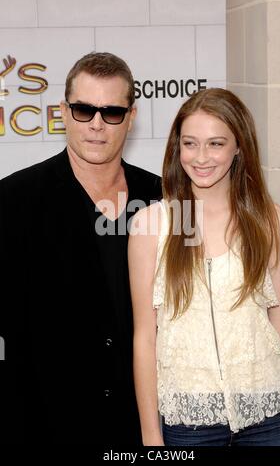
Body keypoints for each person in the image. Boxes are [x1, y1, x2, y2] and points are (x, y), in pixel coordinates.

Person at [0, 52, 161, 445]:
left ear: (132, 115)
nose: (96, 125)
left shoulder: (162, 198)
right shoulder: (14, 200)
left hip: (144, 427)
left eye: (112, 112)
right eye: (84, 110)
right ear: (63, 111)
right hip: (45, 427)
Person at [128, 88, 280, 446]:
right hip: (189, 424)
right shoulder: (151, 225)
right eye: (190, 143)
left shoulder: (271, 220)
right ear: (178, 148)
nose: (201, 157)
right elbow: (145, 338)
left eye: (216, 144)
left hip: (270, 417)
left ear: (239, 147)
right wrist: (150, 436)